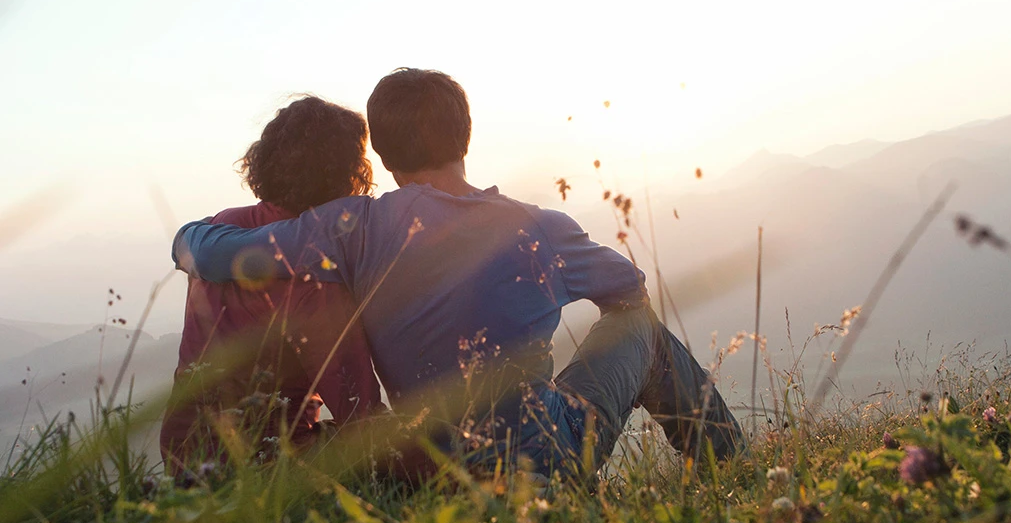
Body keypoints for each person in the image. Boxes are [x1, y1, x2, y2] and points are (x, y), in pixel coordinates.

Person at [172, 69, 740, 479]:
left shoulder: (351, 227)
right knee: (641, 328)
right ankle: (731, 467)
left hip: (438, 465)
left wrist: (188, 236)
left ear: (386, 157)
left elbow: (220, 255)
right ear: (466, 134)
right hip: (547, 461)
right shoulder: (538, 227)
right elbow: (629, 288)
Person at [160, 96, 382, 476]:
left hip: (183, 455)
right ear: (350, 172)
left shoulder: (221, 227)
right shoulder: (314, 275)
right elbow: (357, 411)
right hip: (265, 466)